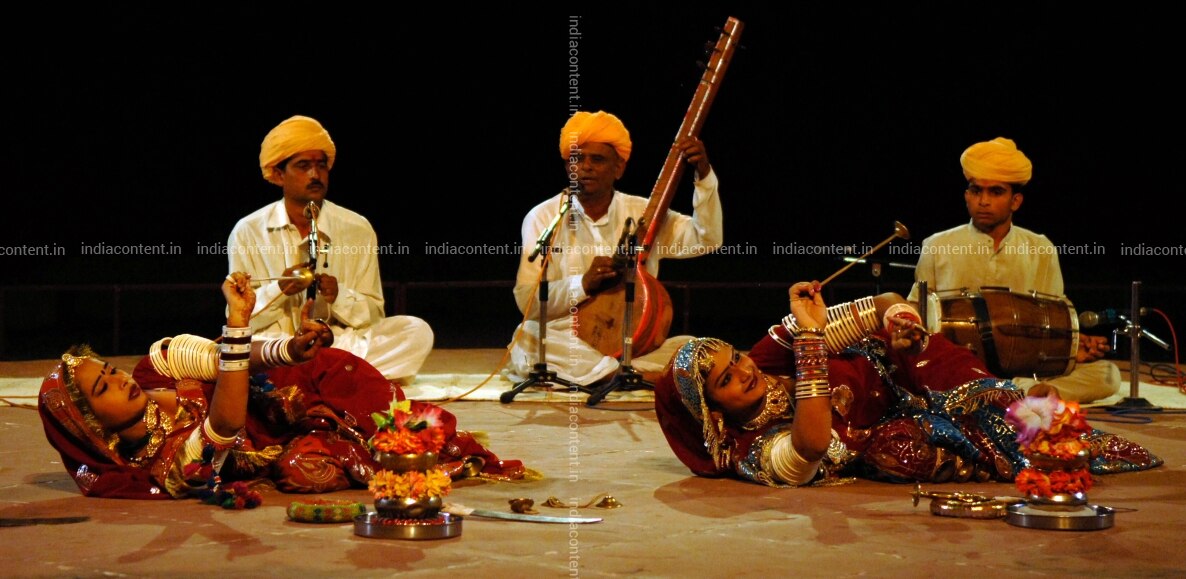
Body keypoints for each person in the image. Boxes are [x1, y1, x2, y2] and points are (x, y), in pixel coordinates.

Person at [38, 272, 523, 500]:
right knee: (303, 471)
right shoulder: (168, 465)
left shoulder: (154, 366)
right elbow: (224, 425)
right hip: (292, 430)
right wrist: (239, 319)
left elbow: (221, 356)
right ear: (93, 430)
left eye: (109, 369)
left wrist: (289, 350)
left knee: (391, 379)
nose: (119, 379)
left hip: (295, 379)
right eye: (103, 388)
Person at [655, 281, 1162, 487]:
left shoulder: (769, 353)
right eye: (726, 379)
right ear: (711, 412)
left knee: (950, 377)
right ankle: (1012, 447)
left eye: (736, 357)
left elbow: (882, 303)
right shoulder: (749, 450)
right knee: (898, 452)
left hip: (906, 374)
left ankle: (1024, 407)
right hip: (898, 427)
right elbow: (809, 446)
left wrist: (901, 319)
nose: (746, 370)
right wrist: (810, 341)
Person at [508, 110, 724, 386]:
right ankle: (627, 374)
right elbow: (526, 300)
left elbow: (707, 239)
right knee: (527, 337)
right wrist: (582, 284)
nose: (585, 167)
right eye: (576, 159)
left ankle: (608, 373)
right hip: (570, 337)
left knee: (694, 347)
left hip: (634, 341)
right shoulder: (544, 217)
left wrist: (704, 178)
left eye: (597, 159)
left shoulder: (645, 213)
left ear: (619, 168)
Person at [907, 137, 1120, 403]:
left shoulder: (1040, 248)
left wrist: (1071, 346)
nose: (983, 201)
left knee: (1108, 375)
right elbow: (916, 310)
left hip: (1023, 366)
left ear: (1015, 201)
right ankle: (1021, 394)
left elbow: (1054, 320)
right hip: (957, 364)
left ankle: (1025, 391)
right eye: (976, 191)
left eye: (995, 192)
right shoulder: (938, 245)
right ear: (966, 196)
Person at [228, 115, 433, 383]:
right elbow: (239, 317)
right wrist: (280, 288)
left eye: (321, 166)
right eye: (303, 166)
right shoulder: (248, 230)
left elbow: (374, 314)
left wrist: (339, 298)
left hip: (337, 344)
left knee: (416, 331)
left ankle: (312, 376)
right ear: (278, 175)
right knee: (241, 348)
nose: (315, 175)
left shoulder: (357, 228)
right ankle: (337, 377)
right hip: (278, 347)